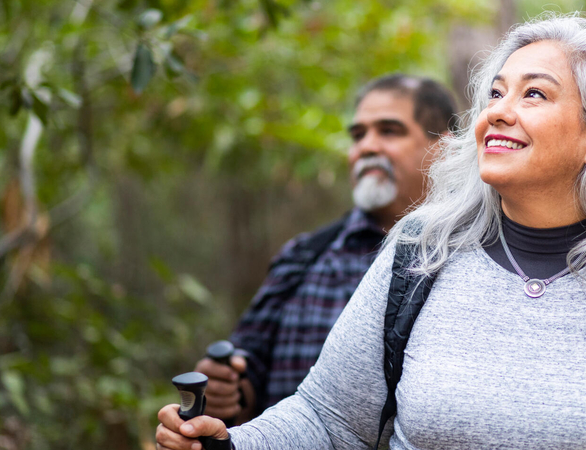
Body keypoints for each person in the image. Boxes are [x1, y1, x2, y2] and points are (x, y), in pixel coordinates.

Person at [157, 13, 586, 449]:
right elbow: (330, 420)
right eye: (495, 93)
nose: (498, 110)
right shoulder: (423, 252)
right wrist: (226, 446)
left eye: (534, 94)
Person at [193, 74, 458, 424]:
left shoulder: (478, 256)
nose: (367, 147)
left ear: (444, 147)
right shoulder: (304, 256)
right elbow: (249, 370)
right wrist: (226, 390)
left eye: (389, 131)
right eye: (358, 135)